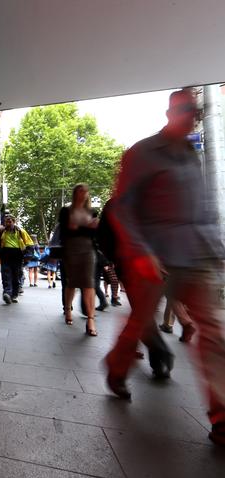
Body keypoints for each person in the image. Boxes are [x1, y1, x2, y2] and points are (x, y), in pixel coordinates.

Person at [105, 89, 225, 447]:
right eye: (187, 109)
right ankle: (116, 367)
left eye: (197, 111)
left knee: (215, 333)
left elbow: (203, 213)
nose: (193, 116)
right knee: (139, 323)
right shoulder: (142, 153)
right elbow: (121, 208)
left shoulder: (193, 156)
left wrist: (217, 251)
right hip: (153, 260)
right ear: (171, 111)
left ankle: (222, 416)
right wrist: (140, 251)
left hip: (194, 259)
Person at [59, 183, 99, 336]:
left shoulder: (92, 212)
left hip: (88, 250)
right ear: (75, 193)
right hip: (70, 249)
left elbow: (93, 232)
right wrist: (87, 227)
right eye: (80, 190)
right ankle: (68, 309)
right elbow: (67, 230)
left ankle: (91, 319)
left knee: (89, 283)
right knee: (72, 282)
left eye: (86, 191)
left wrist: (82, 228)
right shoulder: (66, 211)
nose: (83, 193)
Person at [0, 214, 33, 304]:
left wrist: (28, 256)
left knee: (16, 276)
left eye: (9, 221)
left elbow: (29, 243)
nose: (8, 223)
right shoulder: (2, 232)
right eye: (6, 222)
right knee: (6, 275)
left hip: (17, 256)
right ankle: (7, 293)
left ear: (14, 222)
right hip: (5, 256)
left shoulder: (21, 232)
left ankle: (14, 295)